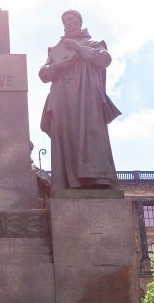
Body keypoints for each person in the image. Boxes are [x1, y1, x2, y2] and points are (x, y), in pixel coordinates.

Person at [39, 10, 122, 190]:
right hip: (62, 99)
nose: (68, 23)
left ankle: (96, 179)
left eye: (72, 19)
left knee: (91, 133)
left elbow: (105, 59)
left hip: (87, 97)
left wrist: (79, 48)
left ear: (80, 22)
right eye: (65, 21)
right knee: (65, 135)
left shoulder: (93, 44)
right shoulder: (55, 49)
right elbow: (43, 74)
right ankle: (68, 182)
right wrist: (59, 66)